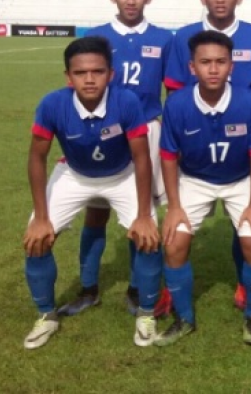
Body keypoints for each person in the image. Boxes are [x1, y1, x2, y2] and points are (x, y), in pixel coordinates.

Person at [22, 36, 161, 350]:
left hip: (122, 174)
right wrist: (41, 217)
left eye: (97, 71)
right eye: (80, 72)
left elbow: (141, 158)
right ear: (68, 77)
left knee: (149, 237)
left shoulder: (127, 101)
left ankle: (146, 313)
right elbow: (36, 158)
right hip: (74, 174)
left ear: (110, 74)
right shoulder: (52, 104)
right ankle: (46, 315)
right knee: (36, 240)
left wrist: (143, 215)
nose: (89, 79)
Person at [59, 0, 173, 318]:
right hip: (103, 131)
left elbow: (173, 90)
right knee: (96, 211)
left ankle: (138, 289)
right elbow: (76, 91)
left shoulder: (164, 39)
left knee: (143, 212)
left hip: (146, 131)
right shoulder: (97, 37)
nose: (131, 0)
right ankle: (89, 288)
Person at [163, 0, 251, 310]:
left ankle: (246, 281)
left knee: (248, 222)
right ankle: (170, 292)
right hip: (199, 139)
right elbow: (175, 92)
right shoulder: (184, 37)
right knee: (175, 231)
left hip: (245, 140)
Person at [155, 31, 251, 346]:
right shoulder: (177, 104)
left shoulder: (248, 101)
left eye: (221, 62)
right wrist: (174, 207)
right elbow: (168, 157)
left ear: (232, 66)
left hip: (240, 180)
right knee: (174, 244)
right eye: (205, 62)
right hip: (194, 180)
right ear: (192, 68)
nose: (214, 69)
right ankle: (184, 318)